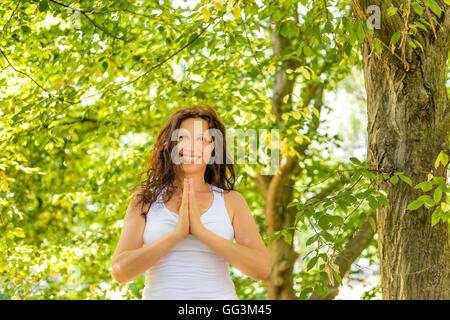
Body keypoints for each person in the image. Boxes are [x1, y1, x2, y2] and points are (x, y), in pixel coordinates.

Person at [111, 105, 271, 300]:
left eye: (203, 139)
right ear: (169, 145)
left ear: (213, 149)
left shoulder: (231, 201)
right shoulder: (145, 200)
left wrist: (201, 232)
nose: (192, 147)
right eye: (182, 137)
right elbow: (120, 272)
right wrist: (176, 234)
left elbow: (261, 269)